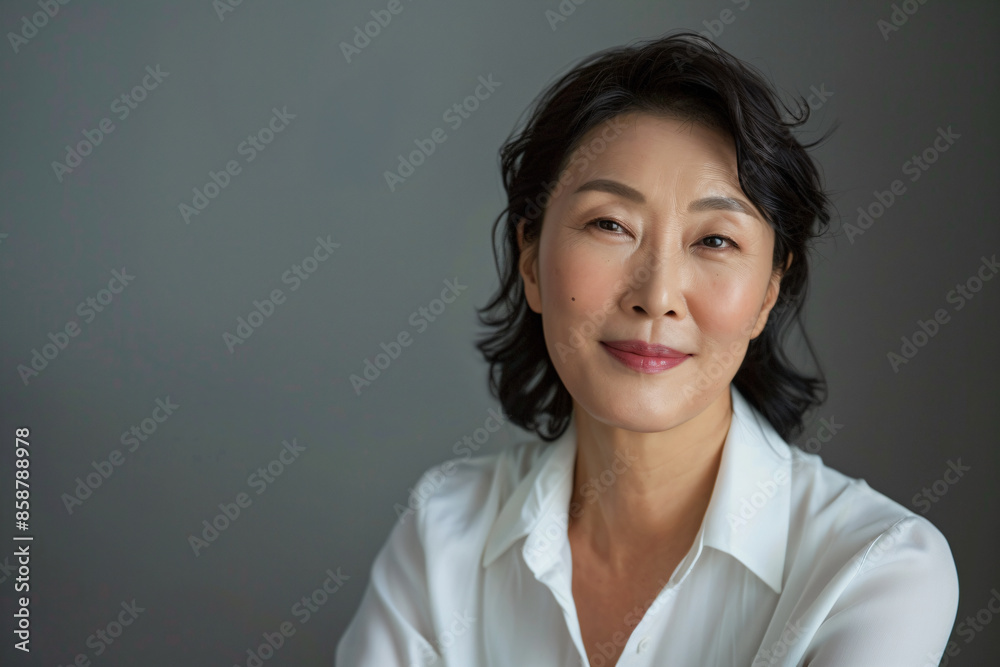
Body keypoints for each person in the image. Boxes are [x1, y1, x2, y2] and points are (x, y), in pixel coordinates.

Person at [336, 31, 959, 666]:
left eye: (715, 240)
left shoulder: (877, 569)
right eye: (611, 225)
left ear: (770, 289)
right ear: (530, 257)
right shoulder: (443, 530)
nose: (656, 295)